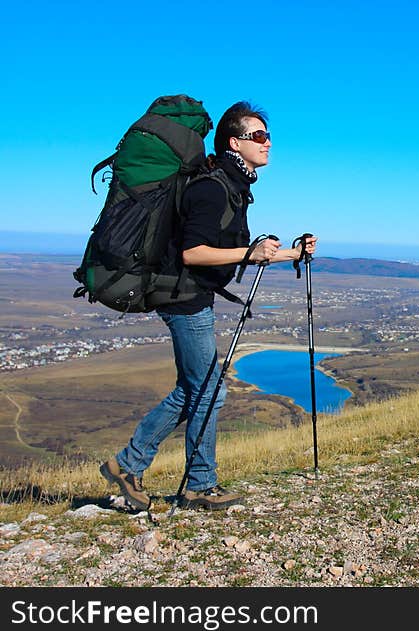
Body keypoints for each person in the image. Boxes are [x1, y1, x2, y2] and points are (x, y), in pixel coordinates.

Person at [100, 101, 317, 511]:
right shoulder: (212, 188)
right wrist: (249, 255)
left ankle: (127, 465)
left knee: (193, 389)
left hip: (187, 296)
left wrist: (292, 253)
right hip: (183, 298)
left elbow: (236, 250)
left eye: (268, 136)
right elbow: (193, 253)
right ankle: (198, 484)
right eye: (258, 136)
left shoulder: (232, 185)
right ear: (234, 142)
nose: (267, 143)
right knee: (209, 391)